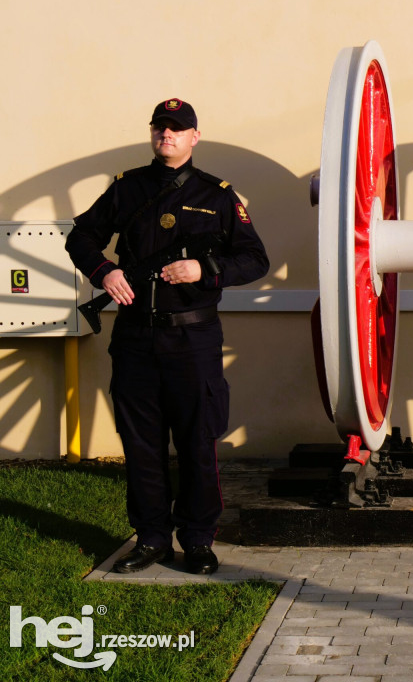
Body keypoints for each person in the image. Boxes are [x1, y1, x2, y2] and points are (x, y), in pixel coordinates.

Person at [66, 98, 269, 575]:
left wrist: (205, 267)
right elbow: (80, 236)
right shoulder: (127, 188)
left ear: (194, 137)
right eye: (161, 128)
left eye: (178, 129)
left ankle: (197, 540)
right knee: (142, 444)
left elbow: (255, 260)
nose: (168, 136)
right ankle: (152, 538)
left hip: (192, 341)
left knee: (197, 441)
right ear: (152, 133)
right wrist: (104, 273)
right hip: (136, 338)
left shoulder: (217, 196)